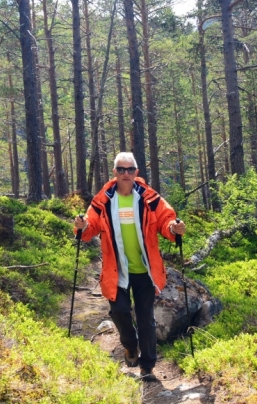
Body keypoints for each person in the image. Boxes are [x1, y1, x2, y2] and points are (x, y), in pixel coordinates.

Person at [74, 152, 185, 380]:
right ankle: (131, 346)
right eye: (121, 169)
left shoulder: (148, 197)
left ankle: (147, 367)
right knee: (119, 311)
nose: (126, 174)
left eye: (130, 169)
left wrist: (174, 229)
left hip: (145, 270)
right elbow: (91, 225)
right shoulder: (104, 199)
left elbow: (166, 220)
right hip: (117, 270)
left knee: (146, 319)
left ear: (137, 172)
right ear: (114, 172)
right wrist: (82, 225)